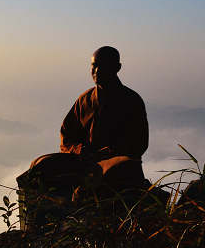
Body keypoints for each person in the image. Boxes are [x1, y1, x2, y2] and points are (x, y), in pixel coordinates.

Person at [18, 46, 149, 214]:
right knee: (39, 166)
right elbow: (67, 137)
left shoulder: (131, 101)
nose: (97, 70)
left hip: (117, 165)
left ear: (117, 68)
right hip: (85, 161)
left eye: (104, 65)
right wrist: (81, 150)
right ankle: (33, 225)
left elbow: (139, 143)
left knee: (111, 172)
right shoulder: (85, 100)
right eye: (94, 65)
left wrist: (109, 154)